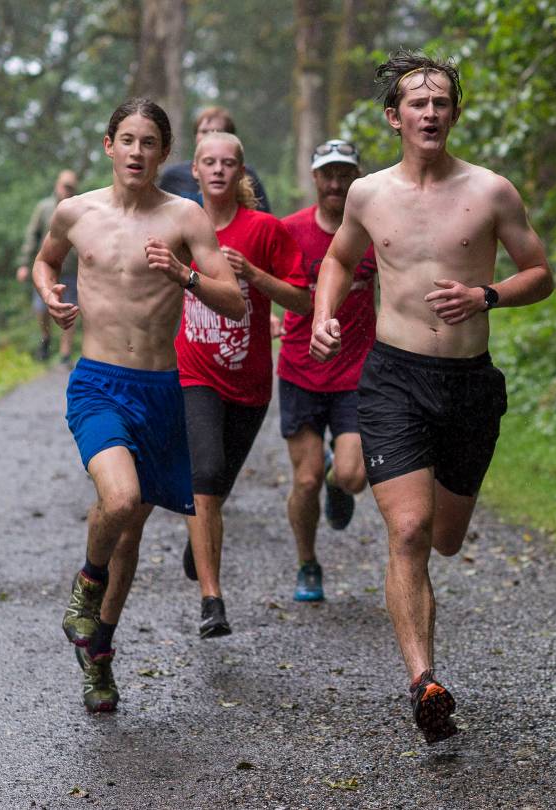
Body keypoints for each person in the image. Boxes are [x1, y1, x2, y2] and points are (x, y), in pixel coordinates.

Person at [310, 51, 554, 743]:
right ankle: (425, 683)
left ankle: (425, 670)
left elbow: (541, 273)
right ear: (395, 117)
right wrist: (326, 313)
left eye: (442, 102)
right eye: (417, 103)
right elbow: (337, 258)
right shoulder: (368, 195)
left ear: (454, 113)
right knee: (410, 531)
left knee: (446, 538)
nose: (431, 112)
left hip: (470, 384)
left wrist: (488, 294)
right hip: (393, 380)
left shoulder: (492, 192)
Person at [32, 98, 245, 713]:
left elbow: (233, 301)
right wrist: (51, 295)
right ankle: (86, 586)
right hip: (98, 381)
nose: (136, 151)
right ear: (108, 145)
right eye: (126, 139)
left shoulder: (186, 218)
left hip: (160, 389)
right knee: (119, 500)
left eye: (149, 142)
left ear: (163, 152)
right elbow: (48, 264)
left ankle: (98, 655)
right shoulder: (76, 213)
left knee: (130, 533)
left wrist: (184, 275)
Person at [176, 131, 310, 637]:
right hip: (192, 371)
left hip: (250, 384)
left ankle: (199, 537)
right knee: (205, 472)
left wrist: (253, 273)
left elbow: (302, 301)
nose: (217, 171)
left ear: (241, 172)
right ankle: (213, 601)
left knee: (216, 486)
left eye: (227, 163)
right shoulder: (178, 223)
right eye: (208, 162)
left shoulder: (266, 230)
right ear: (194, 169)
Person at [278, 139, 377, 603]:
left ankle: (342, 480)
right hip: (300, 367)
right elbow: (260, 280)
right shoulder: (290, 230)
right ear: (315, 178)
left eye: (345, 173)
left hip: (356, 370)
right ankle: (307, 563)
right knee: (305, 478)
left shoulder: (372, 230)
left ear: (356, 176)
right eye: (328, 174)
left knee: (353, 476)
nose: (336, 182)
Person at [15, 170, 79, 365]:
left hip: (71, 271)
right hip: (48, 269)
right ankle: (46, 338)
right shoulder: (44, 208)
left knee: (70, 310)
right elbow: (32, 236)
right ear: (56, 185)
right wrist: (24, 263)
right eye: (64, 185)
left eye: (70, 187)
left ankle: (65, 354)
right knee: (41, 308)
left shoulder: (79, 208)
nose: (66, 190)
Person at [158, 106, 271, 212]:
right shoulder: (173, 176)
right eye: (204, 131)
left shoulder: (248, 175)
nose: (210, 136)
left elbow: (263, 214)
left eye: (217, 131)